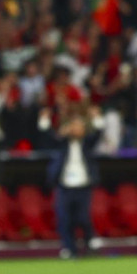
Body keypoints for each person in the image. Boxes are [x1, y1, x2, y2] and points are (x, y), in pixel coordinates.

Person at [43, 107, 104, 259]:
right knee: (64, 219)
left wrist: (96, 117)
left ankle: (89, 242)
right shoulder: (62, 144)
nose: (76, 130)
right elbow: (47, 137)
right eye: (74, 127)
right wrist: (45, 120)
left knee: (83, 217)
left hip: (83, 186)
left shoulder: (87, 144)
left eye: (79, 127)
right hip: (65, 186)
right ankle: (69, 248)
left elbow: (98, 134)